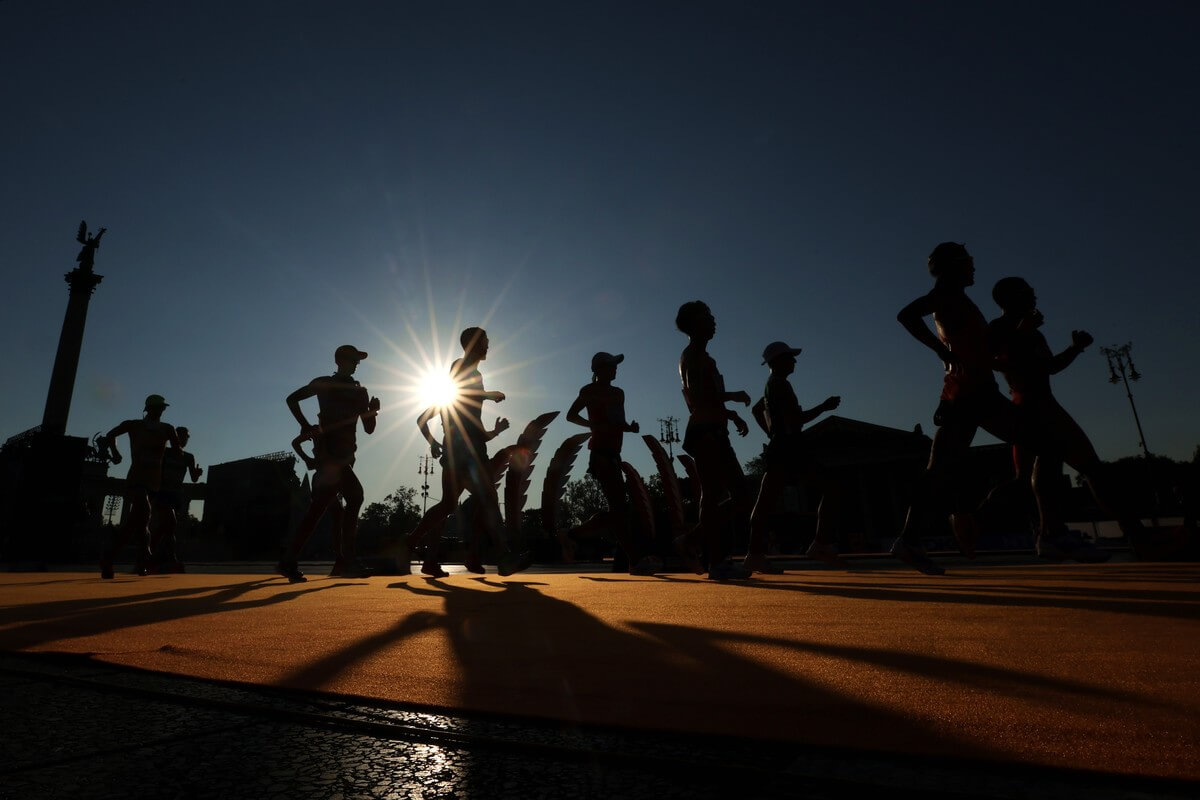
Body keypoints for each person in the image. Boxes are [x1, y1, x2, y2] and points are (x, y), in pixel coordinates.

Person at [893, 243, 1031, 575]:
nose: (973, 269)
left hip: (967, 393)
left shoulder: (958, 299)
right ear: (953, 267)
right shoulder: (947, 295)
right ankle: (1036, 529)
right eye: (968, 263)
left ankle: (913, 539)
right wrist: (940, 351)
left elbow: (976, 350)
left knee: (938, 469)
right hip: (973, 394)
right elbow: (907, 315)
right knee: (1038, 440)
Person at [989, 277, 1140, 561]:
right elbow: (995, 362)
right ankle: (1133, 534)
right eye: (1028, 293)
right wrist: (1021, 334)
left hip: (1044, 403)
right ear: (1010, 299)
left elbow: (1049, 367)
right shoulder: (1000, 329)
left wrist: (1075, 348)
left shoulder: (1032, 333)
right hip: (1033, 406)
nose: (1034, 297)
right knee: (1088, 468)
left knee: (1046, 473)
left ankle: (1050, 533)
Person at [407, 327, 530, 578]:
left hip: (468, 449)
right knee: (487, 499)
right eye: (485, 342)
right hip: (464, 453)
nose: (488, 346)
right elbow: (459, 394)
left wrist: (494, 432)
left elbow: (472, 425)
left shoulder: (475, 374)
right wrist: (489, 394)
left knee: (448, 505)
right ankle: (504, 556)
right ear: (473, 344)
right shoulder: (460, 366)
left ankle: (416, 548)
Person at [279, 345, 380, 582]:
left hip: (345, 457)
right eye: (354, 359)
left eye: (358, 360)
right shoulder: (324, 383)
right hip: (330, 457)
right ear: (341, 361)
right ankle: (348, 561)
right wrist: (304, 425)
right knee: (355, 496)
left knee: (317, 510)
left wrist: (372, 412)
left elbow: (368, 429)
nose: (357, 364)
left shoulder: (360, 391)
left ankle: (290, 559)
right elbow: (292, 399)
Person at [745, 341, 847, 573]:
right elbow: (797, 421)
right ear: (777, 361)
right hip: (789, 449)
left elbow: (756, 409)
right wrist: (824, 407)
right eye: (790, 357)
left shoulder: (771, 385)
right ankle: (820, 543)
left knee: (764, 503)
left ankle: (754, 554)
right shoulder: (781, 385)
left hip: (781, 448)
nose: (794, 361)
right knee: (832, 487)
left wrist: (772, 433)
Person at [674, 301, 753, 580]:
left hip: (715, 428)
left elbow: (705, 399)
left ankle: (692, 540)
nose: (714, 320)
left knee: (740, 494)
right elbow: (697, 399)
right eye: (707, 316)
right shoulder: (692, 356)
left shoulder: (705, 358)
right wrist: (731, 399)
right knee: (714, 493)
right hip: (704, 431)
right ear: (694, 324)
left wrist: (730, 414)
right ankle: (717, 560)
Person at [564, 352, 662, 576]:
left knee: (619, 511)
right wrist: (592, 425)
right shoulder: (588, 391)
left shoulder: (619, 393)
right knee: (620, 510)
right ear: (598, 370)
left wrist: (630, 428)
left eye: (615, 366)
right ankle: (634, 560)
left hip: (615, 453)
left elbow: (618, 421)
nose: (615, 369)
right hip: (600, 453)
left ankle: (571, 535)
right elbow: (571, 415)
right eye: (610, 366)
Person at [98, 394, 181, 578]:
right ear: (148, 409)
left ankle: (109, 558)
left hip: (154, 482)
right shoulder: (133, 425)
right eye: (157, 407)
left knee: (136, 523)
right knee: (143, 512)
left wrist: (179, 450)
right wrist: (115, 453)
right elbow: (110, 435)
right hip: (136, 479)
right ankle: (146, 556)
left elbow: (177, 451)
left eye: (162, 408)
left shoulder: (167, 429)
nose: (160, 411)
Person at [292, 432, 349, 577]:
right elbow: (295, 443)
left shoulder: (331, 430)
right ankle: (290, 556)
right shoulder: (318, 431)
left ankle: (340, 558)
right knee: (316, 516)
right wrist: (308, 459)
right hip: (323, 478)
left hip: (330, 477)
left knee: (335, 515)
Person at [150, 425, 203, 573]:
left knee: (166, 528)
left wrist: (197, 473)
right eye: (182, 436)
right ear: (175, 436)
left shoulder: (188, 457)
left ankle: (149, 555)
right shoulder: (164, 452)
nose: (185, 439)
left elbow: (193, 478)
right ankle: (171, 559)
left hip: (175, 495)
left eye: (186, 437)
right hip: (161, 493)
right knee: (169, 524)